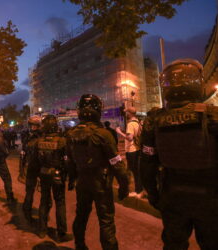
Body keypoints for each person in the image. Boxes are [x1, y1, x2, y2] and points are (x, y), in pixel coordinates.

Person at [140, 59, 218, 249]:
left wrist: (153, 194)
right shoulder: (212, 115)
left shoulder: (154, 121)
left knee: (174, 244)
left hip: (172, 194)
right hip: (210, 196)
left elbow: (147, 163)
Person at [66, 94, 129, 250]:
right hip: (101, 183)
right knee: (106, 221)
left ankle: (79, 245)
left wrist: (72, 179)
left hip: (82, 182)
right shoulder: (103, 134)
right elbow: (116, 162)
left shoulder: (70, 134)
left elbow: (69, 161)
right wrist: (124, 185)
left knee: (81, 216)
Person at [35, 115, 73, 242]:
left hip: (43, 173)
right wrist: (69, 176)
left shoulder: (39, 141)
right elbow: (67, 161)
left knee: (44, 201)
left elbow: (36, 161)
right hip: (57, 174)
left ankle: (41, 229)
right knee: (60, 203)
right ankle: (61, 233)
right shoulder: (62, 141)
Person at [22, 115, 51, 223]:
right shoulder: (40, 137)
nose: (33, 128)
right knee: (34, 192)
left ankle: (28, 211)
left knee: (31, 191)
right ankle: (31, 212)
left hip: (34, 167)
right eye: (32, 126)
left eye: (35, 126)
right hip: (38, 167)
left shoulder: (29, 137)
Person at [116, 106, 143, 197]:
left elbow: (129, 138)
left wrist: (119, 132)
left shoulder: (130, 124)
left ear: (129, 113)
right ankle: (138, 189)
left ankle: (138, 191)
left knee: (134, 171)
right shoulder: (137, 122)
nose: (125, 114)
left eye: (126, 112)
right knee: (136, 171)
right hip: (137, 149)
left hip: (132, 150)